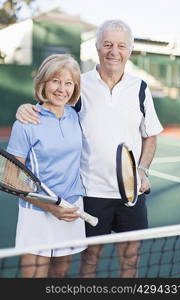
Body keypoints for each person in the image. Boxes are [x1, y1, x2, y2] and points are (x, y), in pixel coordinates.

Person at [15, 19, 163, 277]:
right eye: (107, 44)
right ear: (96, 47)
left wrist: (142, 170)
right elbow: (52, 106)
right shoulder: (79, 84)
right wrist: (26, 107)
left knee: (132, 258)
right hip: (90, 192)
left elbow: (150, 135)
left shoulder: (140, 88)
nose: (113, 52)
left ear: (129, 50)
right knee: (90, 259)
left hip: (130, 195)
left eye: (120, 46)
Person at [7, 54, 86, 278]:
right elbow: (13, 177)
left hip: (71, 208)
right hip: (38, 214)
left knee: (59, 275)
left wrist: (64, 209)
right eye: (55, 81)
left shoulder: (76, 116)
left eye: (69, 82)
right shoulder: (26, 122)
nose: (62, 89)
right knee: (34, 279)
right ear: (43, 83)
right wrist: (51, 207)